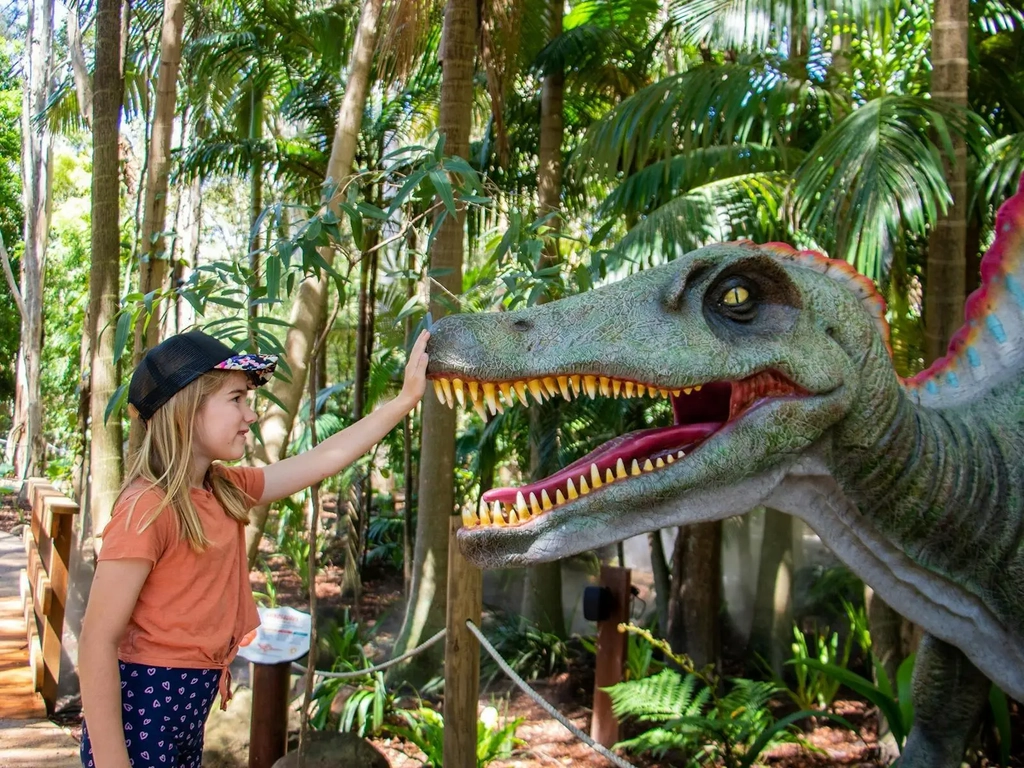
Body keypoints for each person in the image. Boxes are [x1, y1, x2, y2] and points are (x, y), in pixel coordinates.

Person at [78, 328, 429, 768]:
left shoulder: (224, 489)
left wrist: (403, 401)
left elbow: (322, 459)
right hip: (144, 709)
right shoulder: (147, 509)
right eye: (236, 399)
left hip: (188, 705)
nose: (251, 414)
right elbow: (96, 640)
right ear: (186, 408)